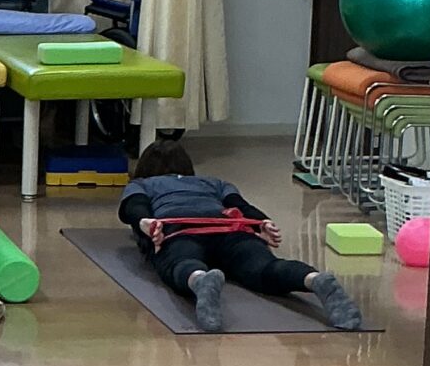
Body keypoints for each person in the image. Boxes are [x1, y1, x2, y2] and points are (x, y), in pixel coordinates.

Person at [121, 140, 364, 332]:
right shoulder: (213, 183)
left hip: (182, 229)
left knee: (180, 263)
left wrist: (146, 222)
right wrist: (262, 222)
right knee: (266, 268)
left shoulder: (142, 184)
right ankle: (313, 279)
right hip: (231, 229)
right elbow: (240, 205)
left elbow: (134, 207)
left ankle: (200, 279)